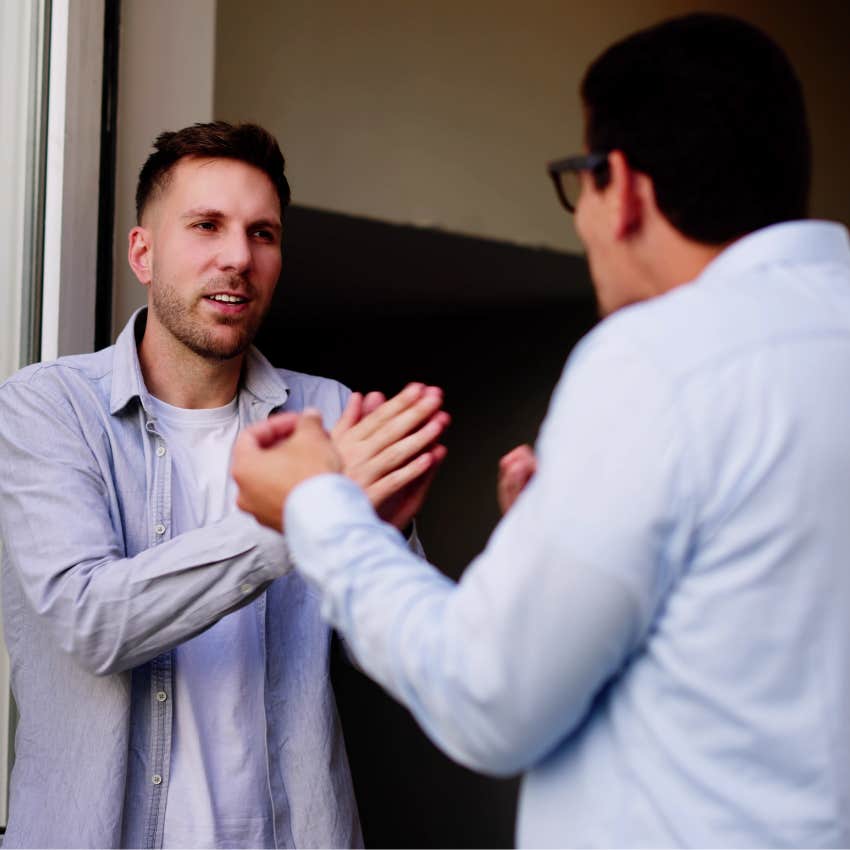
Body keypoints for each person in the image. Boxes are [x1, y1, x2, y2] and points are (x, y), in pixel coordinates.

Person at [231, 13, 850, 848]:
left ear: (621, 186)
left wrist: (316, 506)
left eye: (579, 184)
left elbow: (489, 696)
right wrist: (569, 533)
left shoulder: (654, 362)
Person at [0, 121, 449, 848]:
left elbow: (416, 663)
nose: (238, 257)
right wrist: (300, 516)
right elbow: (92, 622)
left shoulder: (327, 414)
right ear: (143, 253)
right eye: (206, 226)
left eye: (262, 234)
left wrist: (387, 540)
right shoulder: (48, 408)